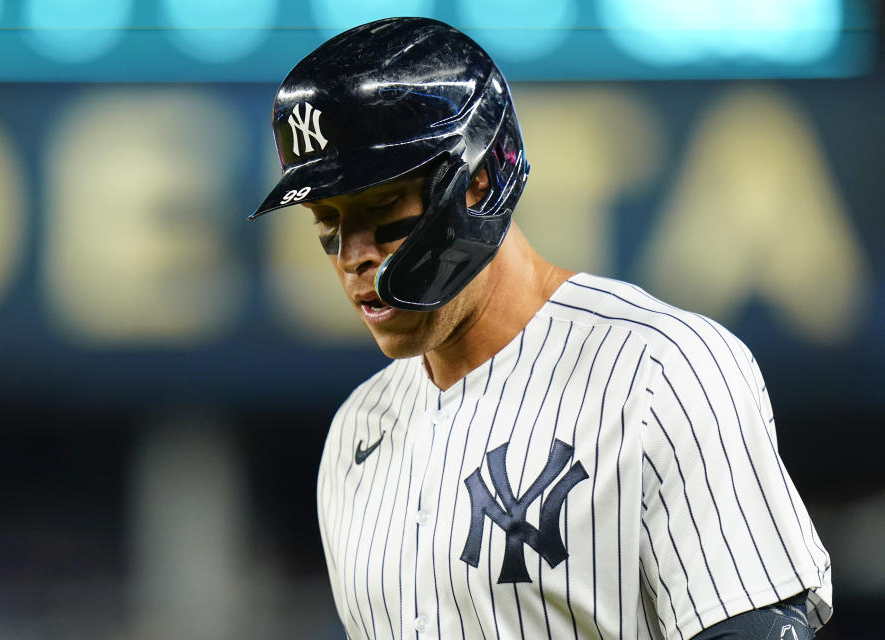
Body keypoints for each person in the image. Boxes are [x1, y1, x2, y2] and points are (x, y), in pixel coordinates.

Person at [249, 17, 832, 640]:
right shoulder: (356, 435)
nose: (352, 254)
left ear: (476, 184)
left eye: (379, 208)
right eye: (326, 220)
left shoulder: (661, 370)